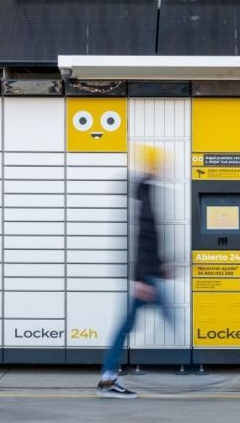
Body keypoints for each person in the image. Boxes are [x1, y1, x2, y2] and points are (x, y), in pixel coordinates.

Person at [96, 145, 170, 399]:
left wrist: (160, 265)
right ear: (154, 165)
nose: (164, 168)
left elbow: (149, 238)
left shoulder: (144, 190)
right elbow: (143, 237)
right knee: (170, 316)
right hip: (145, 277)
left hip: (148, 273)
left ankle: (108, 378)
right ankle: (192, 367)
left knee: (127, 325)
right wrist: (142, 278)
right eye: (160, 164)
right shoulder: (145, 191)